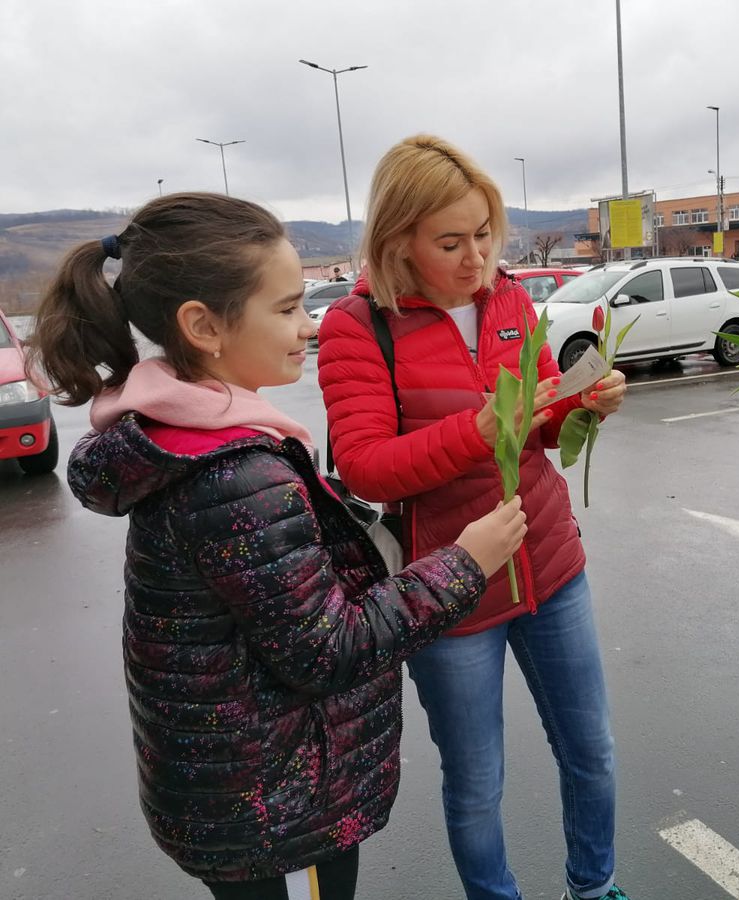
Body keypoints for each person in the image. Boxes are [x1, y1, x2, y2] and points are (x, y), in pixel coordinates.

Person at [25, 192, 529, 900]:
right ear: (203, 326)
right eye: (288, 307)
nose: (310, 324)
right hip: (276, 809)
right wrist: (464, 564)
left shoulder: (185, 440)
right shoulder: (236, 476)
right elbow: (329, 649)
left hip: (239, 790)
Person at [317, 135, 631, 900]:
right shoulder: (358, 327)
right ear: (399, 241)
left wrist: (579, 408)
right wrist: (478, 432)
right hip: (448, 589)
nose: (475, 257)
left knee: (591, 752)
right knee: (476, 782)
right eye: (450, 242)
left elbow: (539, 419)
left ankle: (593, 889)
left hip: (550, 563)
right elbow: (365, 463)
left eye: (484, 233)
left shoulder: (512, 300)